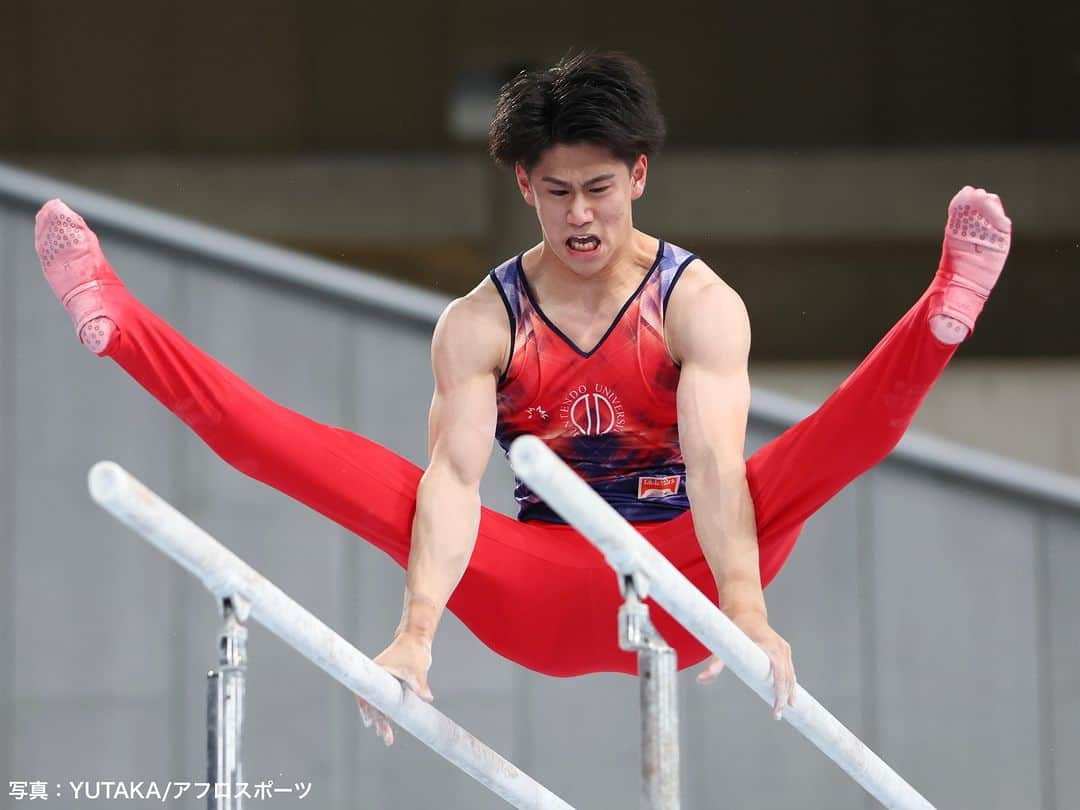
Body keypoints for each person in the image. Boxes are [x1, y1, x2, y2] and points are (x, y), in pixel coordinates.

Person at [34, 51, 1011, 747]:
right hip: (534, 587)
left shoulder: (697, 304)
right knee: (341, 466)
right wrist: (415, 638)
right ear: (523, 184)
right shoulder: (480, 322)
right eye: (555, 193)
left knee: (792, 463)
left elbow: (711, 466)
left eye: (599, 188)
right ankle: (119, 324)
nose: (579, 215)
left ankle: (939, 316)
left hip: (687, 576)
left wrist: (743, 618)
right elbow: (456, 483)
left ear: (637, 175)